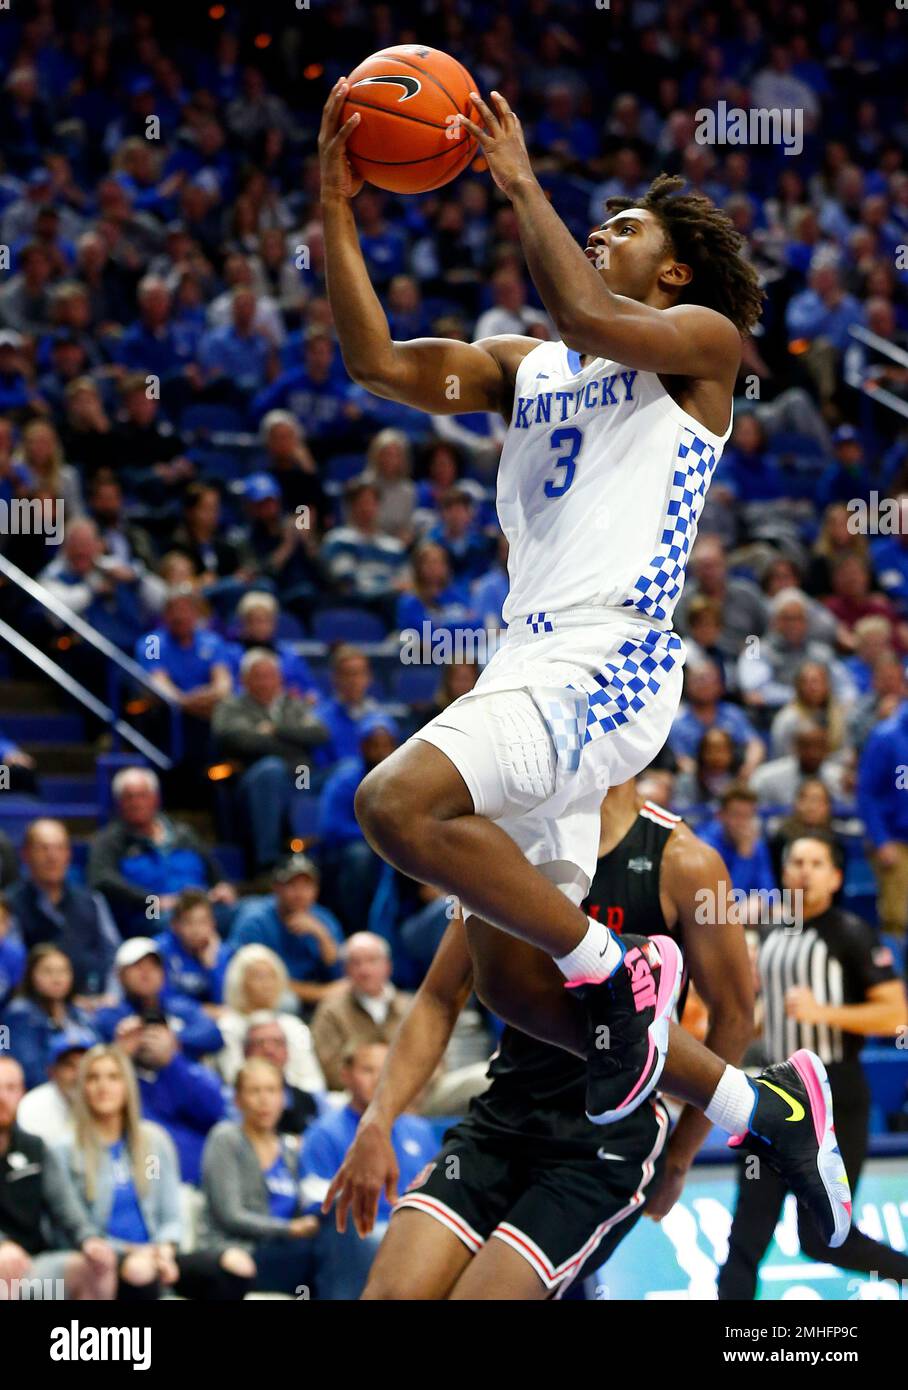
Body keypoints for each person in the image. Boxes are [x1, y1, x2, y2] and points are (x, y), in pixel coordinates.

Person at [320, 85, 852, 1243]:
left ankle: (618, 974)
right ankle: (758, 1104)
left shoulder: (701, 348)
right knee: (512, 989)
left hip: (607, 658)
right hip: (528, 659)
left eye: (627, 228)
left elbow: (576, 297)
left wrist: (514, 178)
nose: (604, 233)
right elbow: (373, 363)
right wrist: (335, 207)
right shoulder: (528, 367)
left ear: (672, 276)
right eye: (597, 219)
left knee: (393, 801)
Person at [323, 784, 754, 1299]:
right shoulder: (514, 841)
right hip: (504, 1116)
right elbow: (440, 995)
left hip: (604, 1144)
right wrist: (378, 1119)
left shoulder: (683, 861)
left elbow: (735, 1014)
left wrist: (681, 1156)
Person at [717, 834, 908, 1300]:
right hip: (772, 1098)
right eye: (796, 861)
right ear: (783, 873)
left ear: (836, 876)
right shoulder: (771, 935)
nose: (804, 870)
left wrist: (823, 1013)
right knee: (744, 1239)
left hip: (836, 1096)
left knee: (825, 1242)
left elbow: (894, 1013)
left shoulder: (851, 933)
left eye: (816, 862)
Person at [60, 1045, 252, 1300]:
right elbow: (75, 1228)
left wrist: (163, 1249)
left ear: (127, 1086)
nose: (103, 1086)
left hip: (159, 1254)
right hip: (107, 1260)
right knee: (140, 1270)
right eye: (93, 1078)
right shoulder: (65, 1150)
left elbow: (170, 1214)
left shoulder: (153, 1142)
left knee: (237, 1264)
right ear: (82, 1088)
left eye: (113, 1077)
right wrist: (134, 1251)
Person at [302, 1042, 436, 1301]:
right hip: (359, 1237)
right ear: (346, 1076)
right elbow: (315, 1199)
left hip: (415, 1234)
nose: (378, 1079)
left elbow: (441, 1189)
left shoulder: (419, 1130)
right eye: (368, 1070)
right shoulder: (324, 1133)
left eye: (385, 1070)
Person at [198, 1058, 319, 1295]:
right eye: (255, 1091)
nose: (264, 1100)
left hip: (288, 1251)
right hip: (241, 1251)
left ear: (283, 1098)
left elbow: (304, 1207)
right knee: (331, 1253)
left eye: (272, 1091)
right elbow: (230, 1215)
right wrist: (289, 1229)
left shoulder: (290, 1150)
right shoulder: (226, 1138)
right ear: (238, 1099)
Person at [0, 1055, 116, 1300]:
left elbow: (65, 1207)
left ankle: (89, 1339)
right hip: (3, 1266)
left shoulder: (36, 1148)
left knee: (95, 1267)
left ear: (22, 1093)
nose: (2, 1098)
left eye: (10, 1088)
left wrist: (89, 1239)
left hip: (32, 1264)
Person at [212, 647, 329, 872]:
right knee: (272, 769)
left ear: (280, 678)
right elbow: (239, 740)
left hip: (303, 777)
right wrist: (293, 744)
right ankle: (268, 863)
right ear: (244, 680)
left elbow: (320, 733)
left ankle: (334, 855)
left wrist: (276, 730)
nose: (265, 682)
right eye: (258, 676)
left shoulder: (293, 705)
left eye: (270, 676)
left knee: (347, 771)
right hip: (253, 781)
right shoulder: (231, 706)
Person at [88, 766, 236, 937]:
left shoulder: (184, 834)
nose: (136, 803)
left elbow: (215, 873)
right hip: (149, 911)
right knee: (163, 923)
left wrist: (223, 887)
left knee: (248, 912)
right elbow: (101, 879)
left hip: (199, 907)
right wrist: (153, 900)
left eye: (142, 795)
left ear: (155, 799)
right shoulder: (109, 840)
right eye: (129, 797)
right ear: (119, 803)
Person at [7, 818, 119, 1000]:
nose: (52, 856)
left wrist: (110, 996)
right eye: (43, 848)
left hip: (94, 1006)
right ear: (25, 854)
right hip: (35, 1009)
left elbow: (113, 956)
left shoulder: (92, 901)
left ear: (68, 854)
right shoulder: (10, 905)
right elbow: (11, 967)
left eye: (59, 848)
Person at [229, 856, 344, 1008]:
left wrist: (321, 935)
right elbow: (250, 981)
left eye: (307, 886)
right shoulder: (254, 921)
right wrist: (319, 993)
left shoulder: (324, 919)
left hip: (317, 996)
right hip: (268, 1000)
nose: (300, 893)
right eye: (292, 885)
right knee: (287, 1003)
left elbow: (339, 972)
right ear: (276, 888)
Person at [310, 933, 413, 1091]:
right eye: (356, 963)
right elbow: (330, 1069)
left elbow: (432, 1057)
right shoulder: (330, 1011)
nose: (365, 970)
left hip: (414, 1090)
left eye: (372, 960)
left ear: (388, 965)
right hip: (356, 1094)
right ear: (345, 970)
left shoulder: (411, 1006)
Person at [216, 944, 325, 1092]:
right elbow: (233, 1078)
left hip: (296, 1103)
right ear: (239, 982)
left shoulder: (292, 1025)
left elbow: (313, 1080)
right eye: (258, 977)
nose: (266, 984)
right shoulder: (228, 1027)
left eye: (271, 976)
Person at [96, 937, 223, 1062]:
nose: (146, 972)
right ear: (120, 974)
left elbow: (215, 1036)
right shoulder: (111, 1014)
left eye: (153, 966)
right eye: (137, 966)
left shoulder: (178, 1006)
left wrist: (174, 1037)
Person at [1, 946, 99, 1091]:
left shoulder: (78, 1014)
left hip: (84, 1092)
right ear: (31, 975)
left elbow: (98, 1054)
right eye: (47, 971)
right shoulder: (18, 1015)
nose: (57, 979)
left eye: (63, 971)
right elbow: (28, 1071)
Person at [856, 701, 908, 938]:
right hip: (896, 840)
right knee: (897, 918)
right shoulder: (886, 735)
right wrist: (881, 840)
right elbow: (867, 792)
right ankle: (896, 974)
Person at [242, 1014, 323, 1136]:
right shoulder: (229, 1101)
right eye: (260, 1043)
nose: (269, 1050)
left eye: (277, 1042)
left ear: (287, 1051)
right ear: (245, 1051)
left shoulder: (309, 1100)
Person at [16, 1028, 95, 1147]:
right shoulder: (33, 1106)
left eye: (84, 1065)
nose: (78, 1074)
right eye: (69, 1065)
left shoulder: (102, 1102)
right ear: (51, 1072)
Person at [153, 889, 233, 1007]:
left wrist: (212, 966)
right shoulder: (158, 950)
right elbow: (162, 1000)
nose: (196, 930)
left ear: (213, 924)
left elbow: (225, 1001)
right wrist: (200, 1011)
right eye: (188, 922)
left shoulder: (221, 952)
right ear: (175, 925)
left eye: (203, 922)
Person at [699, 786, 777, 898]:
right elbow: (724, 901)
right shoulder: (705, 846)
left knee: (781, 912)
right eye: (736, 815)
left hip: (751, 909)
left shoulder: (756, 845)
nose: (742, 823)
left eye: (747, 816)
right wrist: (743, 855)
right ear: (721, 816)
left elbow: (770, 894)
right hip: (709, 911)